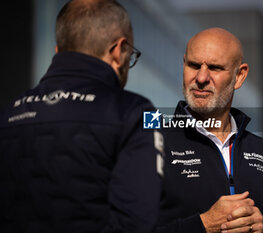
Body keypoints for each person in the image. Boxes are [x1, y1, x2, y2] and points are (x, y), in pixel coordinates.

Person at [0, 1, 163, 233]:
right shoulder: (138, 112)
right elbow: (136, 223)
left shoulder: (7, 115)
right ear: (118, 50)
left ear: (57, 51)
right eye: (130, 56)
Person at [156, 28, 263, 233]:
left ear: (239, 76)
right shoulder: (150, 143)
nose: (201, 77)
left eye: (215, 68)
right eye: (194, 65)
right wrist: (203, 225)